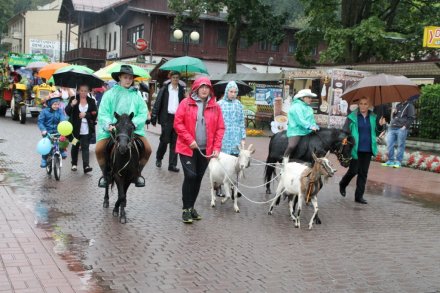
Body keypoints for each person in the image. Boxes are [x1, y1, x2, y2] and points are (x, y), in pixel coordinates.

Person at [174, 76, 225, 223]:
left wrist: (216, 148)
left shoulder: (215, 107)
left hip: (206, 150)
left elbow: (220, 128)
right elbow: (178, 123)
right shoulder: (186, 103)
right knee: (190, 176)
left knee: (197, 179)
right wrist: (190, 140)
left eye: (207, 87)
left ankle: (191, 208)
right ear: (196, 88)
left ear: (210, 90)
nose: (204, 89)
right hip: (187, 148)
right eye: (201, 87)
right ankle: (186, 209)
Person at [95, 64, 152, 188]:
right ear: (119, 78)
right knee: (99, 149)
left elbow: (143, 112)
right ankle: (105, 176)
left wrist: (134, 124)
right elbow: (103, 112)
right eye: (125, 77)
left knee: (148, 149)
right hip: (113, 130)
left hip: (132, 130)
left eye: (130, 78)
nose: (128, 80)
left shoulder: (137, 95)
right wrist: (108, 124)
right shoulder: (109, 94)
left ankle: (137, 174)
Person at [339, 96, 386, 204]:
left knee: (363, 173)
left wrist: (381, 125)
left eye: (365, 104)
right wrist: (346, 143)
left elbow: (378, 132)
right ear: (358, 104)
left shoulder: (374, 117)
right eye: (361, 103)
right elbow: (345, 131)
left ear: (369, 105)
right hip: (355, 148)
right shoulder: (352, 117)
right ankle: (343, 183)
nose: (363, 106)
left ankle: (359, 196)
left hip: (368, 148)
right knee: (353, 171)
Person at [151, 71, 185, 172]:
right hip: (166, 118)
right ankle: (159, 158)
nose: (175, 79)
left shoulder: (181, 90)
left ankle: (172, 165)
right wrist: (154, 116)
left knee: (175, 142)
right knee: (164, 140)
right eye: (174, 77)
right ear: (170, 78)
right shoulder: (165, 89)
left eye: (177, 78)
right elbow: (158, 102)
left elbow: (184, 105)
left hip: (178, 118)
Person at [217, 81, 246, 197]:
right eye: (231, 91)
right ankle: (218, 187)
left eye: (235, 92)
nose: (233, 94)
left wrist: (243, 137)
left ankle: (234, 188)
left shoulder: (239, 104)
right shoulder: (219, 104)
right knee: (222, 164)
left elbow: (241, 122)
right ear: (226, 91)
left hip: (235, 138)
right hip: (223, 138)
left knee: (235, 164)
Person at [65, 84, 98, 173]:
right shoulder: (73, 99)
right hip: (75, 129)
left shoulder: (91, 101)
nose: (83, 92)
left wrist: (86, 115)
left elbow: (95, 114)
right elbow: (67, 112)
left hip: (87, 129)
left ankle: (86, 166)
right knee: (75, 146)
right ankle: (74, 164)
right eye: (81, 90)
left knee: (85, 147)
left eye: (85, 90)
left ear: (88, 91)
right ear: (78, 90)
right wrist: (72, 104)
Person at [284, 89, 320, 158]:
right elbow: (300, 120)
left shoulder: (309, 108)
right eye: (308, 97)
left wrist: (314, 125)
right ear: (302, 98)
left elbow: (312, 120)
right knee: (292, 145)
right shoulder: (296, 106)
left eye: (311, 97)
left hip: (307, 131)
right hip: (296, 131)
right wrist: (310, 126)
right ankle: (285, 159)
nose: (310, 99)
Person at [382, 97, 416, 168]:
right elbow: (395, 116)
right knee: (389, 144)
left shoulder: (410, 105)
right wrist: (394, 113)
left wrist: (405, 127)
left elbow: (411, 117)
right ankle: (391, 160)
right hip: (392, 127)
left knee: (400, 145)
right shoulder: (398, 105)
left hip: (401, 128)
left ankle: (398, 161)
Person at [37, 93, 67, 168]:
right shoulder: (44, 112)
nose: (56, 106)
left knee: (63, 139)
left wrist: (63, 123)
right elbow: (40, 122)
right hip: (47, 132)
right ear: (50, 104)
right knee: (47, 146)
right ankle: (44, 159)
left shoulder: (60, 111)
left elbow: (63, 118)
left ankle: (62, 150)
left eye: (58, 104)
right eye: (54, 104)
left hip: (57, 131)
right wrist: (43, 130)